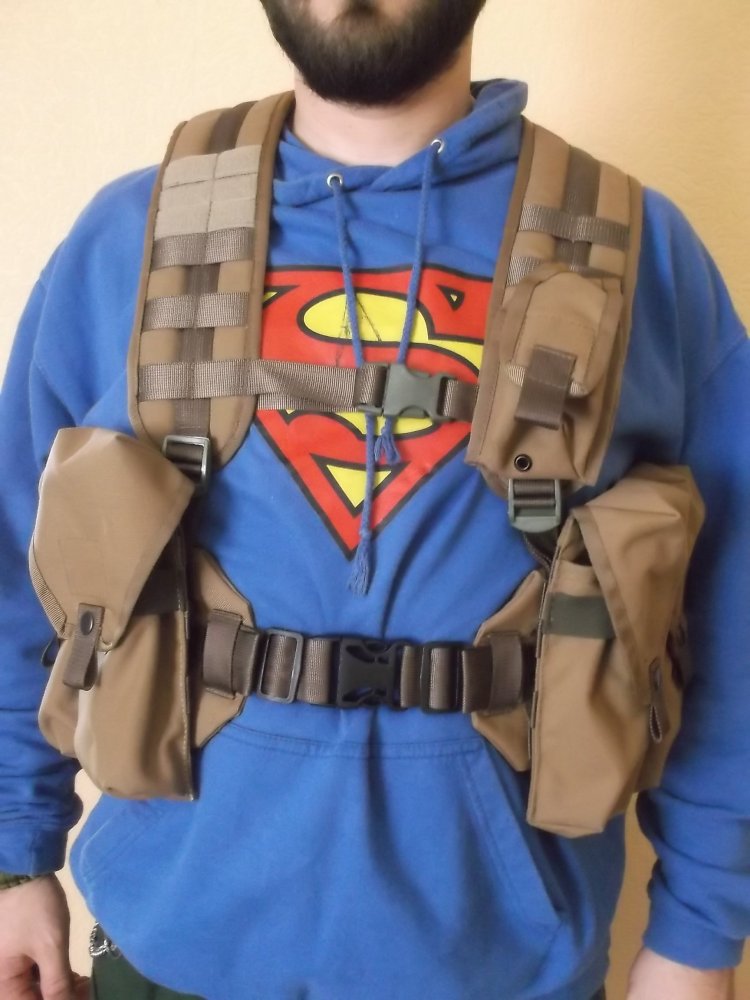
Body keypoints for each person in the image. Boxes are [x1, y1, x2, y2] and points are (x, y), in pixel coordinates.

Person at [0, 1, 748, 998]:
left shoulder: (644, 255)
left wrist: (699, 933)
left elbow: (733, 612)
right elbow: (19, 566)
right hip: (168, 956)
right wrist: (13, 854)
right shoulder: (129, 238)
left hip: (506, 973)